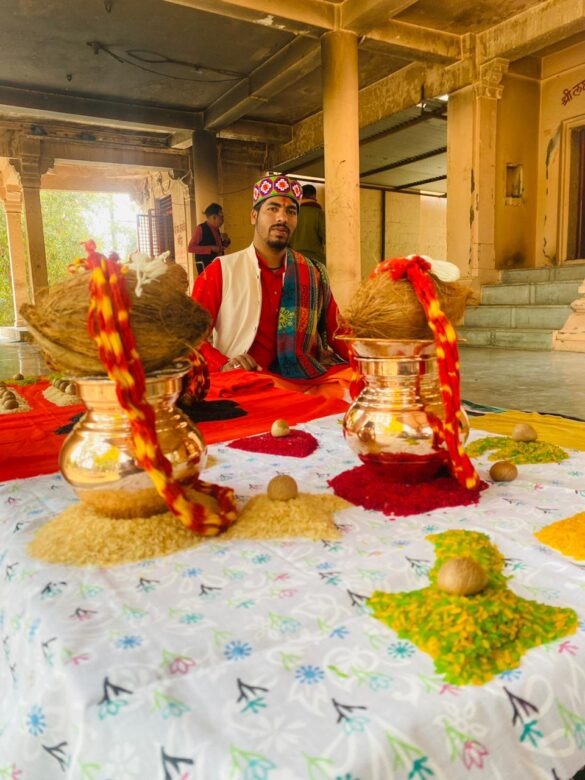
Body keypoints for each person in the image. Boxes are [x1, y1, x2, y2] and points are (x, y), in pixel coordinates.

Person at [192, 174, 349, 385]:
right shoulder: (221, 271)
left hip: (303, 382)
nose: (282, 218)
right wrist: (223, 364)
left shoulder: (313, 273)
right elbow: (190, 337)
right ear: (254, 216)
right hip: (245, 385)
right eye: (272, 209)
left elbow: (338, 333)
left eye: (290, 211)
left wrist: (374, 360)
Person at [188, 202, 230, 274]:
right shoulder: (200, 228)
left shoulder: (216, 229)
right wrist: (211, 248)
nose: (223, 220)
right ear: (214, 217)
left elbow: (219, 248)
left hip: (218, 267)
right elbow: (191, 248)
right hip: (206, 271)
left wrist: (226, 241)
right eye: (221, 217)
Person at [289, 183, 326, 265]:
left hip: (294, 260)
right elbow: (327, 237)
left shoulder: (292, 213)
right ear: (313, 196)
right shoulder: (319, 214)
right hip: (315, 261)